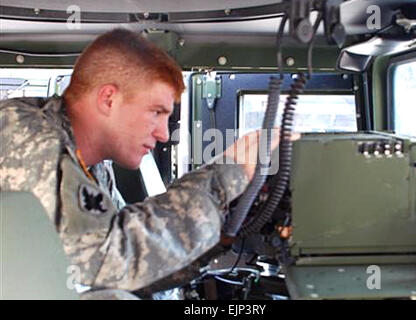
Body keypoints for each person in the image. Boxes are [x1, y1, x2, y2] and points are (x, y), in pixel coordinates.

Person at [0, 29, 281, 299]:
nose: (162, 133)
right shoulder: (24, 131)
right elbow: (106, 263)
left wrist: (221, 235)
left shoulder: (93, 165)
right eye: (156, 112)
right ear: (109, 99)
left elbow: (139, 264)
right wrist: (223, 178)